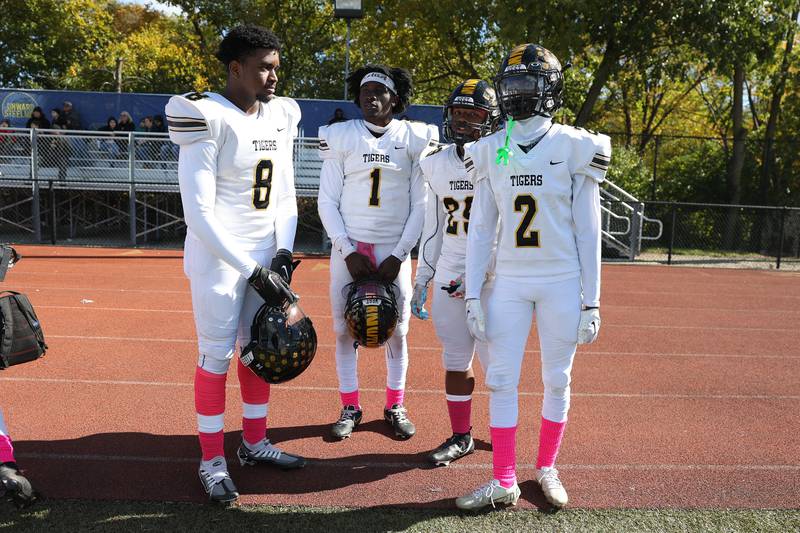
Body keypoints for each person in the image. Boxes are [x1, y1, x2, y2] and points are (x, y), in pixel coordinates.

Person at [455, 44, 609, 511]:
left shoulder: (576, 145)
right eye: (512, 83)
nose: (518, 93)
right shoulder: (489, 148)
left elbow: (589, 229)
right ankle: (504, 479)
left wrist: (592, 300)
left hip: (561, 280)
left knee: (557, 379)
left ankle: (546, 467)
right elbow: (480, 228)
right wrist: (473, 294)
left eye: (528, 83)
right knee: (501, 379)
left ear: (550, 88)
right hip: (510, 282)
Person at [165, 24, 304, 505]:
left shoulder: (282, 115)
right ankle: (211, 460)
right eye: (264, 67)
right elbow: (198, 214)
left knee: (262, 351)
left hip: (265, 255)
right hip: (220, 261)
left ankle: (254, 443)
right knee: (217, 357)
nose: (273, 77)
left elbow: (285, 194)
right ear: (235, 67)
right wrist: (252, 269)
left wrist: (282, 253)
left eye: (276, 68)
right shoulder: (204, 114)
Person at [317, 64, 437, 441]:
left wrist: (400, 254)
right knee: (342, 330)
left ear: (395, 99)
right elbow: (326, 201)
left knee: (398, 332)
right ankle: (350, 406)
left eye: (379, 92)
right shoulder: (342, 137)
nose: (370, 97)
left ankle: (395, 404)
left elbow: (422, 206)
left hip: (392, 250)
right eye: (364, 91)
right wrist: (346, 249)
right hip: (349, 248)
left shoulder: (414, 138)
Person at [410, 79, 500, 466]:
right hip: (450, 267)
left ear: (491, 119)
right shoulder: (434, 163)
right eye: (458, 113)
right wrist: (421, 279)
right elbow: (433, 227)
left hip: (497, 275)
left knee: (498, 365)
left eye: (473, 114)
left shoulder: (505, 159)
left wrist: (481, 275)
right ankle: (461, 436)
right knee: (455, 359)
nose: (463, 122)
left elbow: (509, 230)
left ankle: (503, 433)